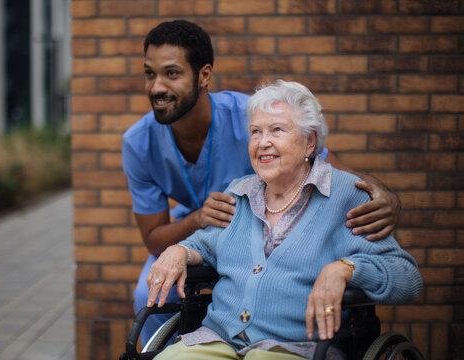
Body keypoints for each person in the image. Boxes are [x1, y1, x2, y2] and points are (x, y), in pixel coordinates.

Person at [121, 19, 401, 346]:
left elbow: (328, 169)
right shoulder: (138, 142)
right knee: (147, 292)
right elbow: (154, 239)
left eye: (171, 73)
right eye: (149, 74)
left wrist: (385, 196)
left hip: (258, 224)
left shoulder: (254, 118)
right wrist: (196, 220)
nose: (156, 87)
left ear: (204, 76)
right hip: (196, 230)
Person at [146, 80, 422, 360]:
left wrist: (345, 268)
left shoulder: (346, 195)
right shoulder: (240, 192)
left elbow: (406, 278)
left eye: (277, 130)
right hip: (218, 341)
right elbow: (206, 244)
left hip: (296, 348)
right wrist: (178, 250)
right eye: (256, 132)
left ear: (309, 141)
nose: (263, 142)